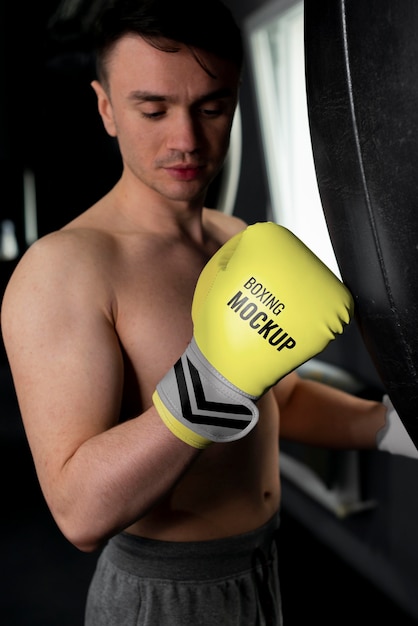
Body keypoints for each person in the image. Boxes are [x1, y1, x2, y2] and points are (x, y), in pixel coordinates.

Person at [1, 0, 417, 624]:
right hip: (163, 595)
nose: (187, 140)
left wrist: (397, 427)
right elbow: (78, 512)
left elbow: (283, 399)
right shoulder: (63, 270)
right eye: (153, 109)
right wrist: (210, 382)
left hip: (263, 566)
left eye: (212, 107)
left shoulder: (234, 239)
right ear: (106, 107)